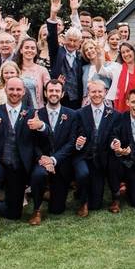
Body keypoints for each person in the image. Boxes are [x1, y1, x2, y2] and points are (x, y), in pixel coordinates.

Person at [0, 77, 44, 240]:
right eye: (11, 89)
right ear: (5, 90)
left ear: (23, 92)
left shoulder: (31, 113)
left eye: (18, 90)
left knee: (13, 214)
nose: (15, 93)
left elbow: (46, 136)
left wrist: (42, 126)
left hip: (18, 167)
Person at [27, 79, 78, 224]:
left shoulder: (72, 115)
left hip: (60, 163)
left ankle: (48, 192)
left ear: (62, 94)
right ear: (45, 93)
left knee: (57, 209)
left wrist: (54, 160)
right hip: (41, 161)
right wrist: (43, 159)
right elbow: (32, 142)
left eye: (57, 91)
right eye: (51, 91)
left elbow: (71, 143)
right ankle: (36, 209)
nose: (53, 93)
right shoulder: (36, 114)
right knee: (38, 175)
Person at [73, 80, 121, 216]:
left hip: (101, 159)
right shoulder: (79, 114)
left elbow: (114, 135)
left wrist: (114, 143)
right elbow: (75, 135)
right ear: (88, 93)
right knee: (83, 174)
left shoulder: (114, 114)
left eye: (100, 91)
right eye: (93, 91)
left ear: (105, 93)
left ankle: (109, 196)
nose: (97, 94)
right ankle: (82, 202)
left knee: (96, 204)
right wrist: (78, 143)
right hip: (84, 156)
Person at [46, 0, 85, 110]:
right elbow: (52, 36)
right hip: (58, 99)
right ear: (64, 39)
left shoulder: (82, 56)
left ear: (80, 43)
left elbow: (78, 29)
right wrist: (53, 14)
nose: (72, 43)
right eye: (70, 40)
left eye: (75, 41)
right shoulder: (57, 52)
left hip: (77, 101)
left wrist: (74, 11)